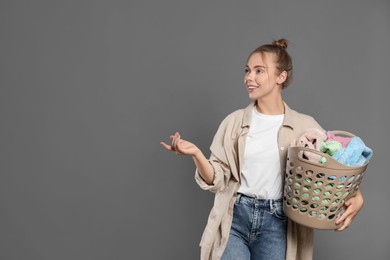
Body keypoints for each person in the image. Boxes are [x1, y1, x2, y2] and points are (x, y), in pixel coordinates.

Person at [160, 39, 364, 260]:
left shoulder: (305, 126)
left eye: (259, 71)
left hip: (278, 224)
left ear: (281, 77)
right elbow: (217, 179)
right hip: (234, 217)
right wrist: (197, 154)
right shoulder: (234, 122)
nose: (249, 77)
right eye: (247, 71)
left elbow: (335, 165)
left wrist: (357, 196)